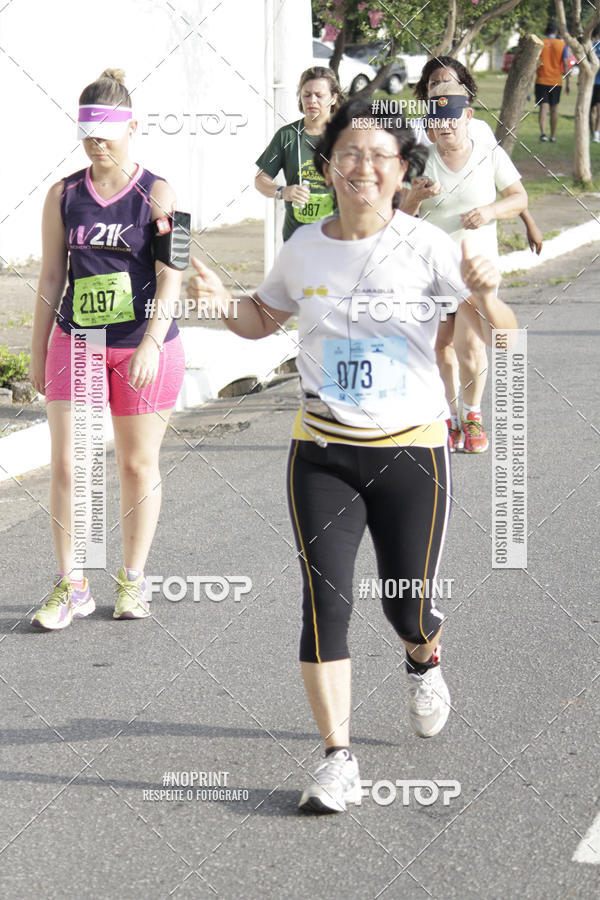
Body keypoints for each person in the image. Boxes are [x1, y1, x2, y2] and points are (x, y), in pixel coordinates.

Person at [188, 98, 517, 813]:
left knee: (408, 604)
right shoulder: (304, 245)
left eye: (380, 156)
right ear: (328, 164)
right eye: (349, 153)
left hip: (411, 455)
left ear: (403, 171)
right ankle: (338, 758)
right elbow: (260, 318)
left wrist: (489, 297)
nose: (363, 166)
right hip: (323, 451)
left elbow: (507, 333)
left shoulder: (429, 246)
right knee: (323, 604)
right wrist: (216, 301)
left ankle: (423, 656)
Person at [29, 69, 186, 629]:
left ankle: (133, 580)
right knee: (70, 465)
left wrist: (149, 342)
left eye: (105, 131)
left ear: (132, 126)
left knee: (136, 464)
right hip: (77, 341)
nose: (95, 142)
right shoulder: (63, 193)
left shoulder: (161, 192)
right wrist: (35, 346)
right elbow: (51, 275)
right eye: (87, 131)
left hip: (144, 346)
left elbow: (174, 275)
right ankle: (72, 584)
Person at [403, 82, 527, 453]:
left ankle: (472, 414)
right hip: (430, 274)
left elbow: (518, 198)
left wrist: (489, 212)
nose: (446, 125)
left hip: (475, 270)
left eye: (452, 118)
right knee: (440, 349)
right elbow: (399, 219)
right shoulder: (419, 160)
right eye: (437, 119)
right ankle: (450, 416)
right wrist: (415, 197)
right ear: (429, 124)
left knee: (470, 346)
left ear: (467, 117)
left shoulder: (489, 155)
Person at [413, 55, 543, 254]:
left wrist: (529, 222)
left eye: (448, 83)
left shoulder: (481, 135)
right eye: (434, 83)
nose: (440, 87)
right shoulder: (413, 134)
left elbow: (507, 185)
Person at [255, 66, 343, 241]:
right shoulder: (287, 135)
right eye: (307, 95)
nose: (312, 100)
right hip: (296, 237)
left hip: (336, 236)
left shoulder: (345, 136)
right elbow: (260, 180)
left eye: (319, 95)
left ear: (333, 98)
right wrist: (282, 191)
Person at [535, 21, 570, 142]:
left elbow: (536, 62)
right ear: (556, 32)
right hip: (556, 81)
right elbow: (565, 64)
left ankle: (543, 133)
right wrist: (568, 82)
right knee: (554, 108)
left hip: (541, 80)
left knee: (543, 108)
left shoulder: (541, 43)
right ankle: (553, 136)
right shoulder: (562, 44)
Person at [590, 25, 600, 143]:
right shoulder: (593, 46)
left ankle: (594, 132)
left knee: (593, 110)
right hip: (595, 82)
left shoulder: (592, 47)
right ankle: (596, 133)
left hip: (592, 82)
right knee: (597, 110)